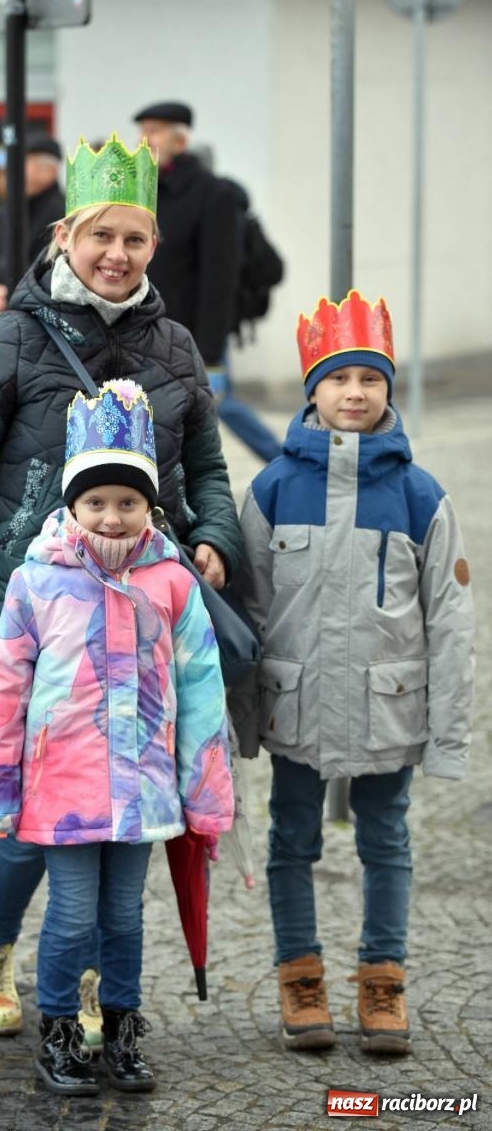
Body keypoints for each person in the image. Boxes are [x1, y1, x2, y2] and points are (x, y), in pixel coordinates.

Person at [0, 132, 243, 1041]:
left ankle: (82, 986)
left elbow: (205, 470)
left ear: (154, 244)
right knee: (34, 820)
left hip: (139, 627)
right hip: (27, 621)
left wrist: (211, 540)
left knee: (112, 817)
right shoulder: (6, 341)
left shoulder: (176, 347)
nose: (116, 255)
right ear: (63, 234)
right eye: (99, 237)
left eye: (135, 239)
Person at [0, 379, 235, 1095]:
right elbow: (1, 693)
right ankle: (61, 1032)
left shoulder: (171, 583)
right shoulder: (36, 582)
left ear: (149, 506)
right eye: (95, 502)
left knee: (124, 917)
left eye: (127, 502)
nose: (111, 517)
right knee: (70, 916)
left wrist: (203, 795)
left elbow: (202, 690)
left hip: (142, 790)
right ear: (70, 504)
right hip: (63, 790)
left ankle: (119, 1030)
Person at [227, 290, 474, 1055]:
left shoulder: (418, 494)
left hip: (386, 709)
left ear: (388, 390)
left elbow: (449, 622)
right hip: (296, 708)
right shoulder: (270, 490)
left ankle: (382, 981)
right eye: (338, 380)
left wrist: (448, 736)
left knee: (385, 843)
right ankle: (299, 979)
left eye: (370, 380)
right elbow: (248, 612)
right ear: (312, 392)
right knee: (290, 840)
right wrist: (240, 726)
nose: (355, 394)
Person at [133, 102, 282, 462]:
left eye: (153, 130)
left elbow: (220, 280)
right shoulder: (142, 191)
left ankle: (284, 461)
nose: (143, 139)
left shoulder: (213, 194)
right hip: (146, 329)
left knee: (216, 404)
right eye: (141, 130)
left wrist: (211, 354)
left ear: (180, 140)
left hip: (191, 334)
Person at [0, 132, 66, 325]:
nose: (13, 172)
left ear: (50, 170)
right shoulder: (4, 209)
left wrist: (7, 295)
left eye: (25, 164)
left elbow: (54, 272)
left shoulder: (62, 216)